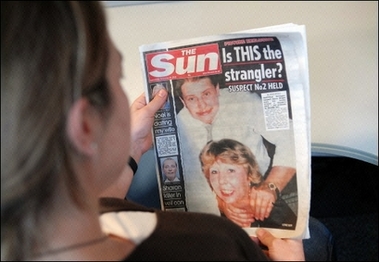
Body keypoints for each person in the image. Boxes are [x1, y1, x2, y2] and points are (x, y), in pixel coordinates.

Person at [1, 1, 308, 261]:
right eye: (119, 78)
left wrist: (132, 151)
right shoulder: (215, 243)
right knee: (315, 236)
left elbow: (102, 207)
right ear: (85, 125)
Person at [174, 74, 297, 221]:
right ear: (183, 101)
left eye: (206, 94)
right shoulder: (179, 124)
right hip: (212, 207)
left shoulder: (246, 100)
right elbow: (189, 180)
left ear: (217, 89)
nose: (202, 105)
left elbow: (291, 135)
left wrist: (271, 186)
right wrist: (220, 203)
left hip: (261, 192)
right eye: (192, 99)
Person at [199, 138, 297, 229]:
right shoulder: (208, 211)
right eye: (214, 172)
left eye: (230, 170)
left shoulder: (274, 210)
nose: (221, 180)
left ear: (249, 175)